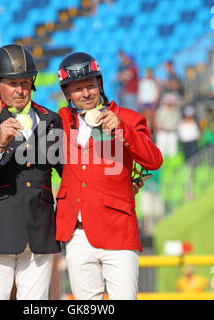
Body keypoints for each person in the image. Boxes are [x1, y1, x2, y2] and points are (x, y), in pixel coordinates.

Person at [55, 52, 163, 299]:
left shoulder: (130, 118)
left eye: (90, 86)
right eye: (77, 88)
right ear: (67, 94)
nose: (85, 93)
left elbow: (154, 160)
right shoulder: (59, 121)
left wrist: (121, 129)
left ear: (100, 85)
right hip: (76, 235)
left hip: (118, 231)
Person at [0, 44, 62, 300]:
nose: (20, 90)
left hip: (40, 234)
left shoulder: (51, 119)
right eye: (12, 83)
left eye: (26, 82)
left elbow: (67, 170)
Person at [154, 92, 181, 158]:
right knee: (160, 151)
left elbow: (178, 122)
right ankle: (161, 167)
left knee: (172, 151)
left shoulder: (177, 111)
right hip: (162, 132)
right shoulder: (161, 110)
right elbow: (156, 121)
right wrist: (157, 131)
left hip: (172, 133)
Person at [137, 67, 160, 135]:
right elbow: (140, 92)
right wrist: (140, 102)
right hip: (144, 102)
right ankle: (147, 135)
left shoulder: (154, 81)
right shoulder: (142, 81)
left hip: (152, 102)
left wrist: (155, 101)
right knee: (146, 120)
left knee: (154, 119)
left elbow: (157, 91)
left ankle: (155, 135)